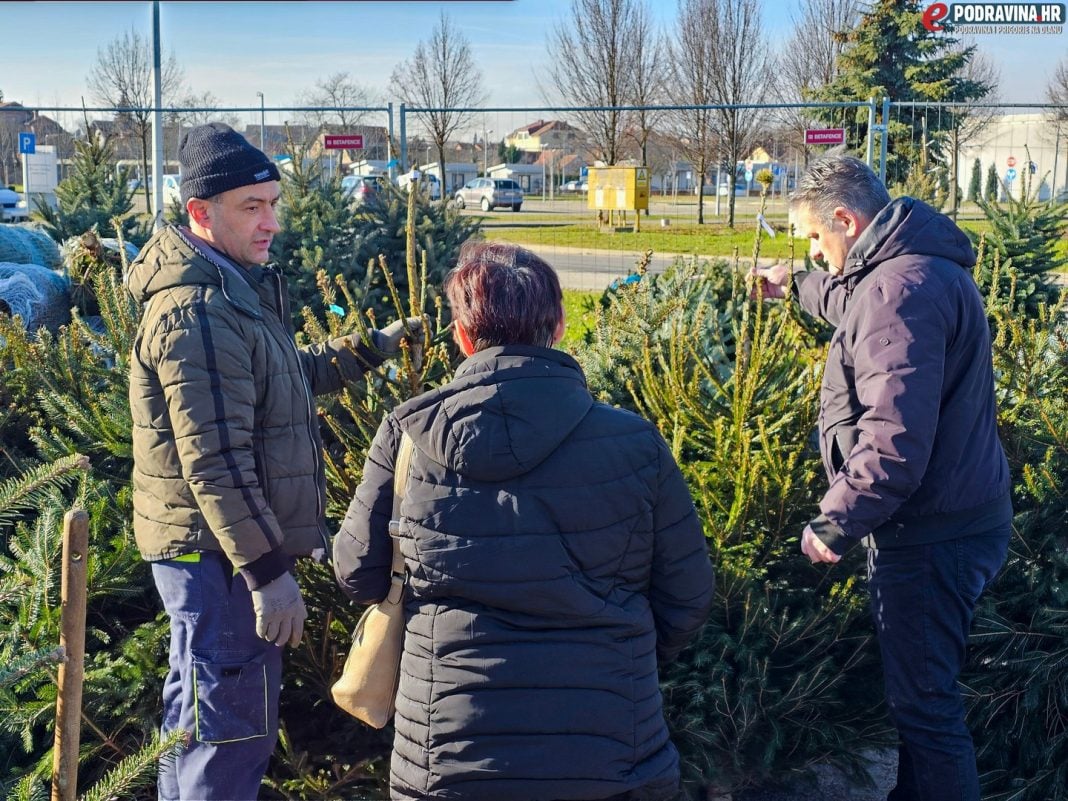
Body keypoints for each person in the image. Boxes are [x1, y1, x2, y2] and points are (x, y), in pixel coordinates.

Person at [334, 241, 715, 801]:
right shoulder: (633, 441)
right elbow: (688, 594)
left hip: (448, 751)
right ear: (559, 326)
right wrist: (620, 652)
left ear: (462, 336)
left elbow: (357, 572)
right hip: (610, 744)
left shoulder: (408, 435)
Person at [126, 122, 418, 801]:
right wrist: (266, 574)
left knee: (198, 722)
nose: (271, 222)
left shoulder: (229, 287)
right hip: (223, 563)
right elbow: (215, 459)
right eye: (251, 207)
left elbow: (281, 376)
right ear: (201, 212)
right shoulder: (196, 310)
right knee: (227, 739)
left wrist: (369, 348)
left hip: (219, 558)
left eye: (273, 203)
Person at [752, 155, 1011, 801]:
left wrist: (835, 518)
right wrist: (793, 288)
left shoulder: (900, 292)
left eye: (816, 236)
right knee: (920, 702)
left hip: (930, 535)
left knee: (927, 707)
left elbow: (894, 440)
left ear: (846, 218)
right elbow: (848, 300)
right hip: (952, 518)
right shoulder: (907, 269)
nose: (816, 251)